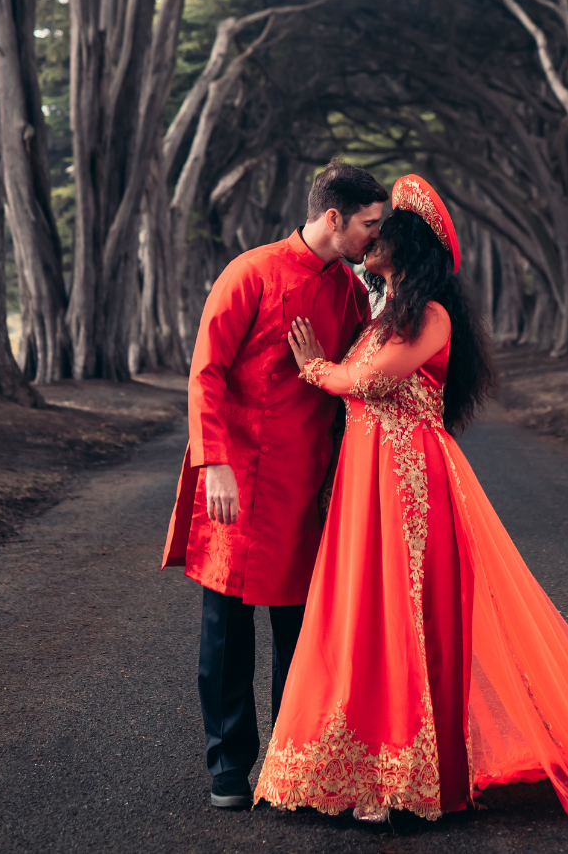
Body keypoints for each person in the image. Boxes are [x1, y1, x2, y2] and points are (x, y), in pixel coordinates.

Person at [253, 174, 568, 825]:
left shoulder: (434, 317)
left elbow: (369, 379)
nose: (370, 240)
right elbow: (360, 382)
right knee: (362, 615)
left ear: (407, 248)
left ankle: (412, 778)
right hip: (369, 480)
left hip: (411, 484)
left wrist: (316, 371)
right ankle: (353, 768)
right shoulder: (385, 313)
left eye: (381, 233)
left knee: (409, 620)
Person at [161, 159, 388, 810]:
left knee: (301, 632)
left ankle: (294, 766)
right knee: (226, 632)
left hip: (306, 482)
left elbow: (353, 380)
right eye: (369, 227)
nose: (375, 240)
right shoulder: (250, 272)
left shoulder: (350, 291)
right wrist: (216, 464)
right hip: (234, 479)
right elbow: (206, 372)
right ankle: (229, 769)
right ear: (334, 218)